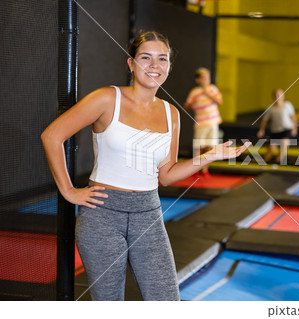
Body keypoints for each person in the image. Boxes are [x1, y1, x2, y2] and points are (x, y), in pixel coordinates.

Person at [41, 31, 250, 301]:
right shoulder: (107, 99)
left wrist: (209, 156)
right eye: (146, 57)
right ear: (131, 64)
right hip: (103, 215)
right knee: (109, 302)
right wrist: (69, 191)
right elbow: (52, 136)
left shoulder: (171, 113)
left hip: (148, 214)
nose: (155, 65)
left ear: (169, 66)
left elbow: (166, 175)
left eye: (162, 59)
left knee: (166, 300)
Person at [184, 67, 223, 178]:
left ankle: (205, 170)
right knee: (199, 147)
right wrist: (193, 102)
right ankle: (195, 169)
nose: (206, 80)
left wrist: (208, 93)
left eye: (208, 78)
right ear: (198, 80)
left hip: (213, 122)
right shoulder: (194, 92)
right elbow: (186, 107)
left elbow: (220, 101)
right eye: (204, 78)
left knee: (210, 147)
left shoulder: (213, 89)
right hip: (201, 123)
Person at [257, 89, 297, 165]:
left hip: (286, 130)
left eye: (280, 95)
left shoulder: (287, 105)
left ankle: (278, 163)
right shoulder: (271, 108)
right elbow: (264, 120)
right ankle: (263, 164)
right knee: (271, 148)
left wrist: (294, 128)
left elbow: (293, 117)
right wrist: (261, 130)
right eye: (276, 95)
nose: (278, 97)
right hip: (275, 131)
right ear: (273, 97)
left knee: (284, 144)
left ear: (283, 96)